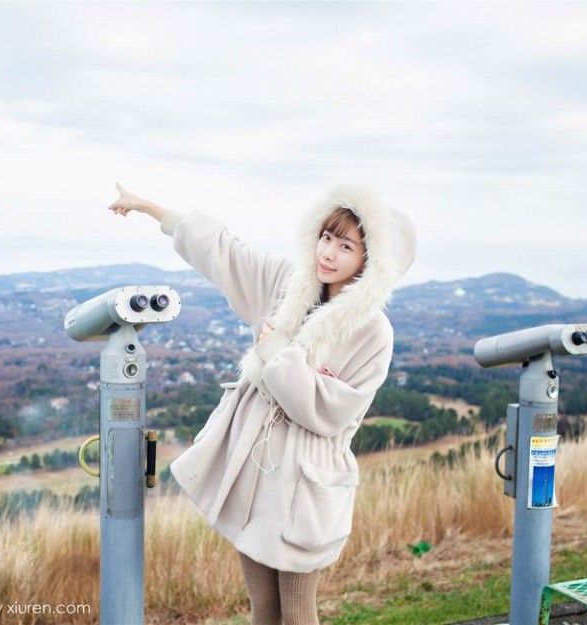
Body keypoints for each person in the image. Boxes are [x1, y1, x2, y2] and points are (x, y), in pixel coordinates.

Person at [108, 182, 416, 625]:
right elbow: (224, 253)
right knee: (264, 610)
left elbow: (329, 413)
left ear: (371, 262)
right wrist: (150, 209)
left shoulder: (372, 333)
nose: (327, 252)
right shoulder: (287, 285)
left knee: (297, 613)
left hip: (304, 487)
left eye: (345, 245)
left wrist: (276, 353)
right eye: (326, 237)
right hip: (254, 475)